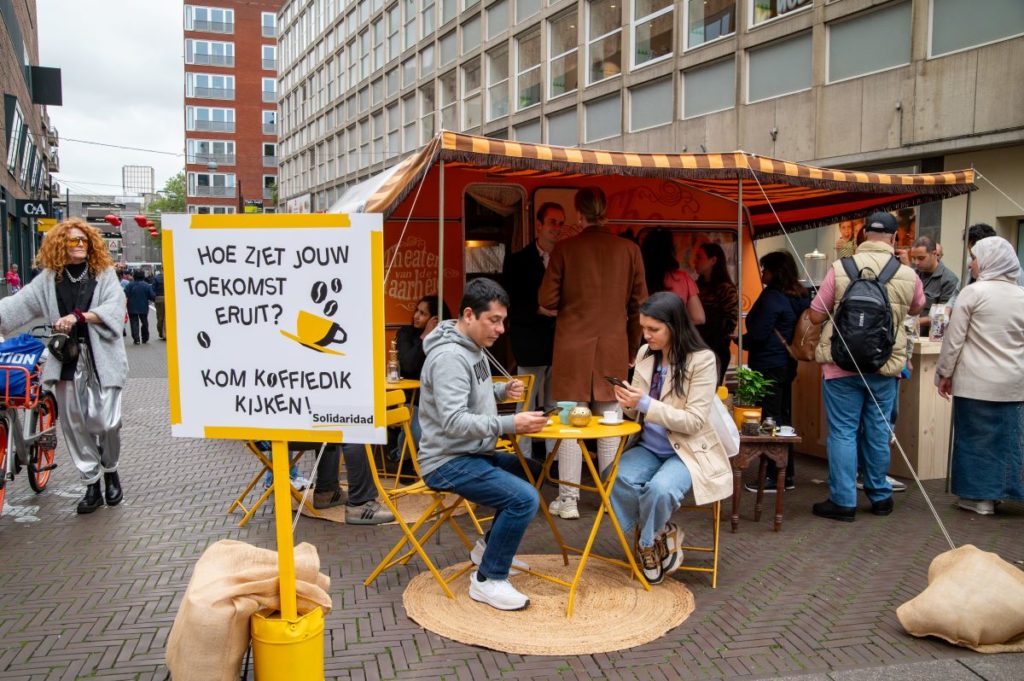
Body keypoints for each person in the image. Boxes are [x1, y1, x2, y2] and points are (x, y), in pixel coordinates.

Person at [417, 278, 548, 610]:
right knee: (524, 499)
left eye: (503, 320)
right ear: (469, 315)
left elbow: (470, 395)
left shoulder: (472, 348)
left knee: (532, 473)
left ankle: (487, 550)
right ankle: (488, 579)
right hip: (448, 461)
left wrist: (502, 392)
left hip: (474, 453)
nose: (501, 329)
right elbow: (454, 420)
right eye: (494, 320)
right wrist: (511, 424)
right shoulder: (449, 357)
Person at [0, 218, 129, 514]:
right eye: (73, 240)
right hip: (66, 359)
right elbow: (18, 305)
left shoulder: (103, 273)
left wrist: (80, 317)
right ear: (61, 244)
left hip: (101, 358)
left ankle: (110, 468)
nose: (80, 245)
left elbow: (114, 305)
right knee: (74, 425)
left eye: (84, 240)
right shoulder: (49, 279)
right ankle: (92, 483)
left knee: (106, 421)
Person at [538, 187, 647, 519]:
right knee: (610, 422)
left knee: (572, 424)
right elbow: (640, 305)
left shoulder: (565, 250)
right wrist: (631, 350)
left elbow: (547, 299)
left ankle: (569, 500)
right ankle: (609, 497)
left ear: (579, 215)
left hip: (572, 349)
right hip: (614, 348)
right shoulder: (629, 250)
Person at [807, 212, 924, 522]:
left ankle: (843, 502)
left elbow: (817, 315)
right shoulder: (907, 273)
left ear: (862, 236)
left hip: (840, 366)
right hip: (885, 366)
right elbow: (916, 307)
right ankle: (880, 496)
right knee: (878, 431)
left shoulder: (840, 268)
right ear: (895, 238)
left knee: (843, 432)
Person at [609, 292, 732, 585]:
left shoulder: (702, 360)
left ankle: (647, 544)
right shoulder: (644, 354)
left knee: (660, 491)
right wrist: (626, 401)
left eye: (653, 329)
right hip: (648, 447)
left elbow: (693, 422)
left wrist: (645, 404)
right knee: (613, 480)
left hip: (686, 451)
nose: (646, 335)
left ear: (674, 327)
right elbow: (633, 412)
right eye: (643, 328)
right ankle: (663, 532)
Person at [936, 237, 1024, 515]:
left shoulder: (972, 293)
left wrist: (943, 374)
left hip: (975, 382)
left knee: (974, 441)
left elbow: (954, 340)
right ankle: (1009, 491)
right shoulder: (1022, 295)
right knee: (1011, 441)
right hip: (1015, 382)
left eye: (974, 257)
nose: (970, 263)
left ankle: (980, 498)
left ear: (987, 261)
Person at [740, 251, 810, 493]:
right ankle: (786, 472)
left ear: (775, 271)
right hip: (787, 362)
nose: (762, 273)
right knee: (783, 417)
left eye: (765, 269)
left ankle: (773, 475)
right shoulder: (801, 295)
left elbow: (758, 333)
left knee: (770, 418)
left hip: (769, 363)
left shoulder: (772, 297)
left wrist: (740, 341)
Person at [502, 202, 565, 433]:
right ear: (539, 225)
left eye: (560, 223)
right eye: (552, 222)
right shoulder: (516, 261)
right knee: (525, 405)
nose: (556, 228)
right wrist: (538, 310)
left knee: (555, 407)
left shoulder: (568, 257)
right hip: (529, 343)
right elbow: (509, 303)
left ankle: (554, 459)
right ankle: (523, 460)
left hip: (560, 345)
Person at [394, 294, 451, 445]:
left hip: (437, 398)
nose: (416, 316)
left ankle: (404, 457)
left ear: (435, 319)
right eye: (417, 311)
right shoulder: (406, 333)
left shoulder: (444, 338)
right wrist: (425, 336)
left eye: (423, 313)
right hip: (412, 398)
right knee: (420, 435)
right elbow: (408, 364)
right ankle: (402, 456)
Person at [310, 444, 396, 523]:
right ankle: (360, 503)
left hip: (300, 434)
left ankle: (327, 493)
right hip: (300, 436)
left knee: (328, 431)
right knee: (354, 431)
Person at [693, 242, 739, 385]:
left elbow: (730, 322)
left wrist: (705, 326)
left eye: (699, 257)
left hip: (715, 350)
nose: (695, 262)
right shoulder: (697, 286)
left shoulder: (726, 289)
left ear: (713, 261)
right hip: (695, 348)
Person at [640, 228, 705, 325]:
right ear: (671, 252)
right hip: (675, 338)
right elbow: (699, 318)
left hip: (646, 337)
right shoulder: (683, 278)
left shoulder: (639, 279)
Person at [904, 236, 958, 331]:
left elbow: (943, 314)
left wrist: (914, 322)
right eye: (913, 258)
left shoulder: (948, 280)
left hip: (931, 337)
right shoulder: (912, 274)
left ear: (934, 254)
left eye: (921, 258)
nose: (916, 262)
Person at [125, 269, 155, 344]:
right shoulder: (146, 285)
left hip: (132, 307)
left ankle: (136, 339)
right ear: (143, 276)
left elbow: (124, 294)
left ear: (134, 276)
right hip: (143, 306)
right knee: (144, 322)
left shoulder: (130, 285)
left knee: (134, 323)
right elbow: (152, 296)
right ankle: (145, 337)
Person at [152, 269, 166, 340]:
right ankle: (166, 333)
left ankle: (161, 333)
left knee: (160, 317)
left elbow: (153, 289)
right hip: (169, 298)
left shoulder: (157, 277)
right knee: (167, 317)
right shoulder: (170, 276)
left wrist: (154, 298)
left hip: (159, 299)